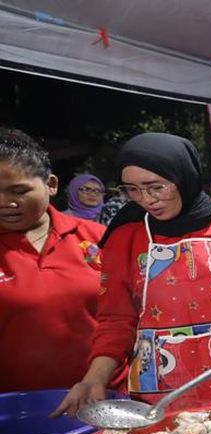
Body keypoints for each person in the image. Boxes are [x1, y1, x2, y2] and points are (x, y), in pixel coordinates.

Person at [53, 132, 211, 416]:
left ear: (183, 176)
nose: (146, 200)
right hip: (162, 388)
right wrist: (94, 378)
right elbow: (116, 320)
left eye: (156, 187)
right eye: (133, 189)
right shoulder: (126, 237)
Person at [0, 128, 114, 392]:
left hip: (101, 398)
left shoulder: (100, 239)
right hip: (16, 411)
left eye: (18, 191)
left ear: (51, 184)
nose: (5, 203)